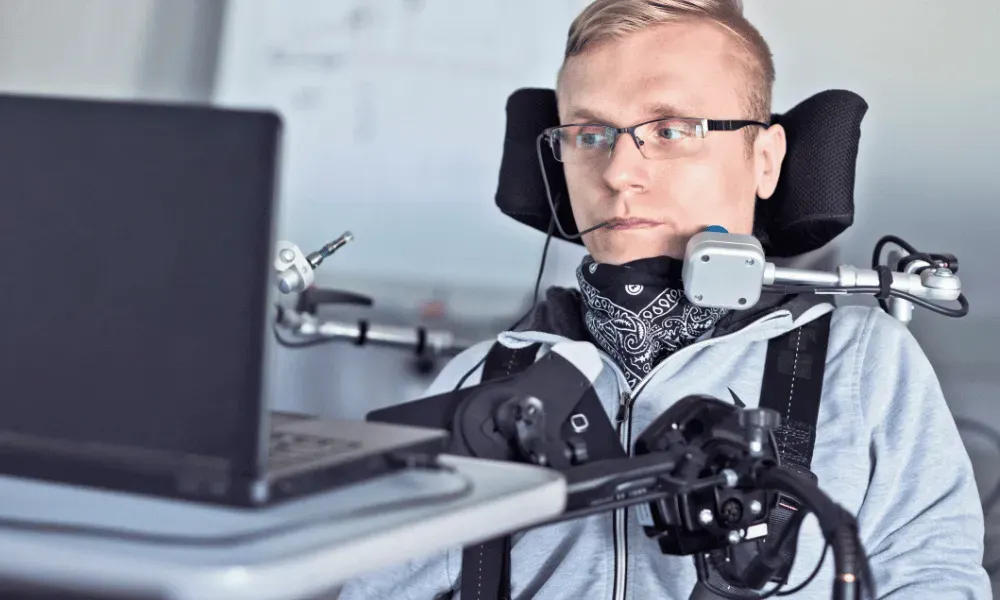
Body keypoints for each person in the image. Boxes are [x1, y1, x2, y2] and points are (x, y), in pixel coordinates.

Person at [338, 1, 991, 598]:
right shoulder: (482, 379)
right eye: (589, 135)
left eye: (673, 129)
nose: (620, 173)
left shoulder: (867, 366)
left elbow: (935, 580)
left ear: (765, 159)